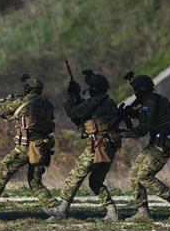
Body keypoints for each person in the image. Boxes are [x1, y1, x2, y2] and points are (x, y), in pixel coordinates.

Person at [0, 75, 60, 216]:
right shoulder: (48, 105)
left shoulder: (23, 101)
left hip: (24, 148)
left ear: (27, 89)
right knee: (35, 182)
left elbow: (1, 110)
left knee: (3, 173)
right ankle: (54, 209)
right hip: (41, 148)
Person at [47, 70, 121, 221]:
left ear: (94, 89)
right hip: (108, 145)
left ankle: (62, 210)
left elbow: (75, 112)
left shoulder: (97, 101)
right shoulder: (108, 101)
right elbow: (84, 117)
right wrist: (77, 97)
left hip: (97, 145)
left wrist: (72, 96)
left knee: (74, 176)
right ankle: (112, 211)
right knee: (95, 181)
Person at [122, 73, 170, 221]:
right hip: (156, 143)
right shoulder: (154, 100)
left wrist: (125, 133)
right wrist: (132, 113)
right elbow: (151, 118)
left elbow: (144, 127)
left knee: (144, 175)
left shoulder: (149, 102)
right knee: (134, 174)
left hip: (162, 144)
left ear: (140, 90)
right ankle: (142, 212)